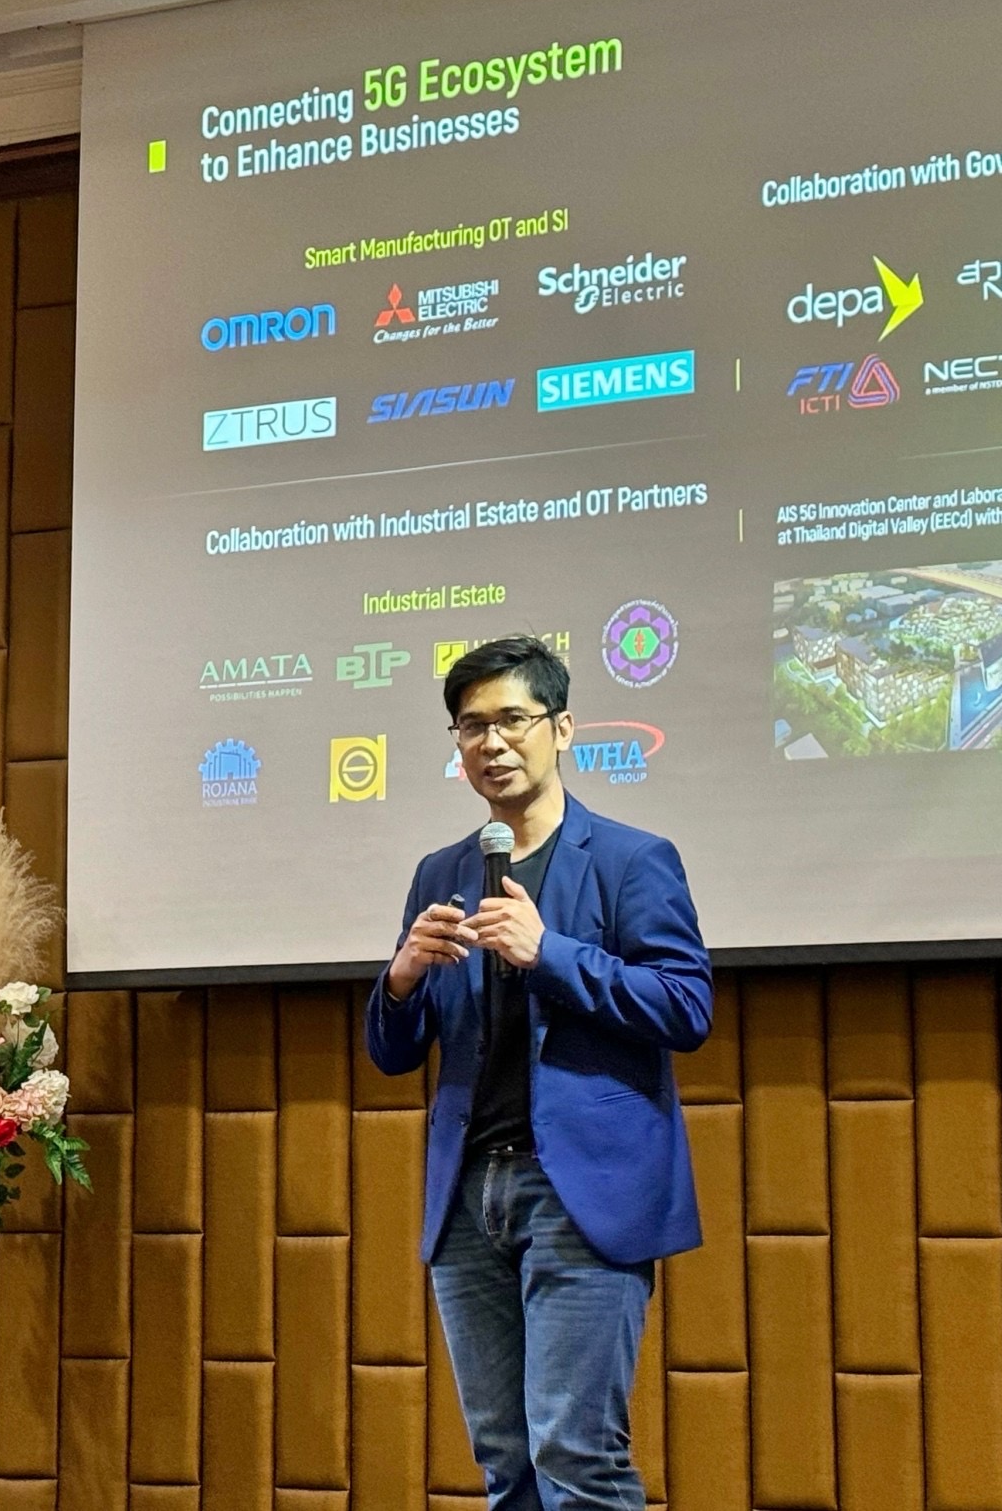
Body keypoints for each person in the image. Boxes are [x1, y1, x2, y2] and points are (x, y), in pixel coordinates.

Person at [363, 635, 711, 1511]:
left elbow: (684, 1006)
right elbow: (396, 1051)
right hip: (468, 1193)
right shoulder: (441, 872)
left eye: (512, 719)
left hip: (579, 1189)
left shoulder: (632, 858)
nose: (492, 742)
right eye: (471, 725)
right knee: (504, 1460)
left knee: (576, 1452)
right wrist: (401, 978)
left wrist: (550, 952)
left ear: (562, 728)